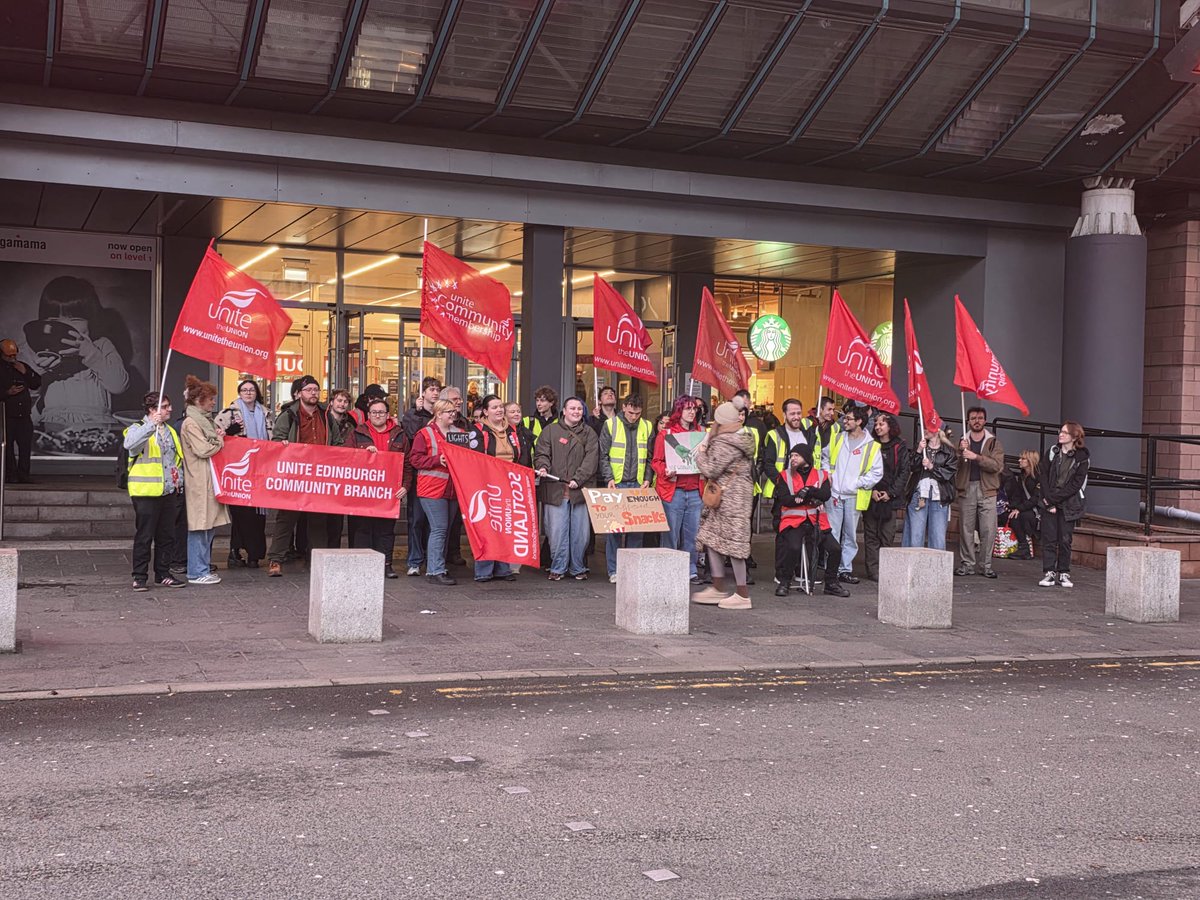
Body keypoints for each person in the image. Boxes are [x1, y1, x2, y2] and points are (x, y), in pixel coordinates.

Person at [28, 275, 131, 438]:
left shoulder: (101, 345)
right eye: (55, 320)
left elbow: (119, 385)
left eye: (74, 319)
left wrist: (91, 354)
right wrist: (38, 369)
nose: (65, 326)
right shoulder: (41, 349)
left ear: (91, 321)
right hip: (53, 429)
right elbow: (22, 391)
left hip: (96, 429)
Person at [266, 375, 345, 576]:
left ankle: (317, 562)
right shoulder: (289, 414)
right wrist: (283, 446)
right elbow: (277, 440)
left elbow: (337, 442)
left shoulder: (326, 415)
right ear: (299, 393)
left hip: (319, 476)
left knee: (318, 521)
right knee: (286, 519)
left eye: (316, 390)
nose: (313, 393)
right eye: (309, 390)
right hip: (295, 476)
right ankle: (276, 560)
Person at [690, 402, 756, 609]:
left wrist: (701, 452)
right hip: (734, 498)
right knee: (713, 539)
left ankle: (742, 594)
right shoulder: (742, 438)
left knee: (734, 546)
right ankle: (718, 587)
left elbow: (711, 469)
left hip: (730, 500)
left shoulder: (726, 442)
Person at [123, 391, 186, 591]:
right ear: (152, 410)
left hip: (168, 491)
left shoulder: (170, 431)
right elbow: (131, 446)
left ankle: (163, 573)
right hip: (146, 491)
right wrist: (151, 425)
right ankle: (139, 576)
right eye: (166, 406)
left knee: (167, 535)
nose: (170, 409)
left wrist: (179, 483)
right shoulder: (137, 428)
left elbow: (176, 459)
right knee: (145, 535)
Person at [770, 444, 849, 599]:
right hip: (793, 521)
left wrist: (808, 491)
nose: (792, 458)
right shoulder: (784, 476)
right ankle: (785, 581)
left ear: (806, 457)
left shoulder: (821, 475)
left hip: (817, 521)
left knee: (835, 549)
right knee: (793, 547)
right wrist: (812, 499)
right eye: (791, 456)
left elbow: (825, 494)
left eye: (796, 456)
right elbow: (785, 499)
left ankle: (831, 583)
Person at [534, 396, 598, 580]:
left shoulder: (589, 433)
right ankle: (558, 567)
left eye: (579, 409)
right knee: (556, 532)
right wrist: (543, 466)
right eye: (572, 408)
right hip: (556, 490)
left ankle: (578, 568)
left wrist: (578, 479)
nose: (576, 412)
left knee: (581, 534)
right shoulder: (550, 430)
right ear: (564, 411)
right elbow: (541, 453)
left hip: (580, 491)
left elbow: (591, 460)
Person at [214, 379, 273, 568]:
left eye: (252, 390)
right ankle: (237, 550)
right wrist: (229, 433)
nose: (248, 393)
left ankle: (255, 553)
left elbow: (273, 438)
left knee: (258, 515)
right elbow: (215, 438)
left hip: (261, 470)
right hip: (237, 472)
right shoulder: (227, 413)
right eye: (244, 390)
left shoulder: (266, 413)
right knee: (241, 513)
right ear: (239, 393)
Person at [179, 375, 230, 585]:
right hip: (199, 481)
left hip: (207, 480)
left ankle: (202, 568)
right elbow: (203, 449)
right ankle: (197, 571)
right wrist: (219, 440)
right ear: (199, 400)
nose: (212, 402)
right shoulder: (192, 423)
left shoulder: (203, 421)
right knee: (200, 527)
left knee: (207, 526)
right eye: (209, 399)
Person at [469, 394, 525, 583]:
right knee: (487, 528)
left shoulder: (511, 430)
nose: (499, 410)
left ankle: (503, 568)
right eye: (494, 407)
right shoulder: (478, 431)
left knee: (506, 526)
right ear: (485, 411)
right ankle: (484, 570)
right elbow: (475, 460)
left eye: (501, 406)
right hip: (487, 485)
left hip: (509, 484)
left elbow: (518, 456)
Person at [598, 393, 653, 583]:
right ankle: (614, 570)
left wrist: (647, 478)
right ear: (624, 407)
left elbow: (650, 457)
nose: (633, 417)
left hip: (638, 484)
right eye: (630, 413)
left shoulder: (647, 426)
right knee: (614, 531)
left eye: (637, 414)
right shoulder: (611, 424)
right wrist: (609, 478)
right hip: (617, 482)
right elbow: (602, 455)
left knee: (636, 532)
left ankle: (631, 571)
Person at [351, 397, 409, 579]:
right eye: (374, 412)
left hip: (389, 493)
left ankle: (386, 565)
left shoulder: (399, 434)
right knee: (363, 530)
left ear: (388, 415)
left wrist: (405, 487)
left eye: (381, 412)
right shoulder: (357, 433)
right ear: (368, 415)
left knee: (385, 531)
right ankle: (362, 566)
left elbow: (407, 464)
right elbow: (347, 459)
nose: (378, 415)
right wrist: (363, 455)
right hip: (364, 492)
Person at [409, 399, 464, 586]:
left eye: (454, 411)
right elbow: (415, 459)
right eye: (449, 411)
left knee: (445, 529)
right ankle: (435, 570)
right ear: (438, 414)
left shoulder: (460, 434)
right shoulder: (424, 434)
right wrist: (436, 460)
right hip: (432, 488)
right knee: (439, 528)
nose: (453, 414)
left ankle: (437, 565)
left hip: (453, 489)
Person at [824, 406, 882, 584]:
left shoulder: (872, 446)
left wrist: (857, 484)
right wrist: (828, 474)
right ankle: (831, 569)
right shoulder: (838, 438)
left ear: (859, 422)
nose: (844, 421)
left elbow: (876, 473)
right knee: (832, 534)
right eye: (845, 418)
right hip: (834, 494)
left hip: (853, 495)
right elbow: (825, 457)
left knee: (849, 535)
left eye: (849, 419)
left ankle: (844, 569)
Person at [651, 396, 704, 584]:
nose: (692, 412)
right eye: (688, 408)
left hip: (695, 492)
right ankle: (669, 568)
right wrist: (665, 471)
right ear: (679, 411)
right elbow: (656, 461)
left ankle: (690, 570)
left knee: (691, 535)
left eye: (694, 409)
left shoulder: (701, 435)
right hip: (674, 492)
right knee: (671, 534)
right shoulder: (667, 435)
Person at [955, 406, 1006, 579]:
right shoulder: (963, 439)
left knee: (988, 530)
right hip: (967, 487)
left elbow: (997, 466)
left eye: (980, 418)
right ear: (968, 421)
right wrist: (960, 451)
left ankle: (986, 565)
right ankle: (967, 564)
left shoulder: (993, 442)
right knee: (966, 528)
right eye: (973, 418)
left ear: (985, 420)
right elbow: (955, 464)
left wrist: (976, 457)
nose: (977, 420)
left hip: (988, 489)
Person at [1038, 422, 1090, 588]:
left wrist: (1053, 500)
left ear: (1074, 437)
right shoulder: (1053, 452)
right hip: (1050, 499)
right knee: (1049, 538)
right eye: (1061, 432)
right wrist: (1048, 499)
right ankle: (1049, 572)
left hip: (1068, 503)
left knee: (1065, 539)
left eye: (1065, 433)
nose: (1061, 435)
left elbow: (1075, 485)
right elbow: (1043, 475)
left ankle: (1064, 572)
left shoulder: (1082, 458)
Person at [861, 413, 912, 581]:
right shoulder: (870, 445)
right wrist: (872, 490)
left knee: (887, 535)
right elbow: (863, 469)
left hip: (891, 499)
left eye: (882, 424)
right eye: (876, 423)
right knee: (871, 535)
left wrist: (890, 493)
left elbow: (904, 472)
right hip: (872, 496)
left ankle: (886, 569)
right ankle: (873, 571)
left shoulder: (900, 446)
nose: (878, 427)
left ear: (890, 427)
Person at [401, 377, 441, 576]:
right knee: (416, 519)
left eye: (437, 389)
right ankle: (415, 560)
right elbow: (411, 434)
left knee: (434, 522)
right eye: (431, 389)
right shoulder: (412, 414)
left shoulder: (441, 415)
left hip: (437, 478)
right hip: (419, 475)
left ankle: (432, 560)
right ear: (423, 393)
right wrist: (417, 413)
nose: (434, 393)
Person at [902, 426, 958, 551]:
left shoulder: (949, 451)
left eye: (927, 428)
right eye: (923, 428)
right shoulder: (921, 446)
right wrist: (918, 450)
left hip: (940, 495)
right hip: (919, 493)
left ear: (937, 430)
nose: (924, 430)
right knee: (915, 536)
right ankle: (913, 569)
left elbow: (948, 474)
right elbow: (911, 467)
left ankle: (936, 569)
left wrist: (932, 467)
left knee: (938, 537)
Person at [0, 339, 42, 483]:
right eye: (8, 356)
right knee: (8, 447)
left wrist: (25, 371)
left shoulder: (21, 366)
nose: (12, 359)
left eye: (14, 355)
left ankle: (24, 474)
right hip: (7, 415)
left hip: (24, 414)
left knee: (25, 446)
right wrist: (7, 392)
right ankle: (11, 475)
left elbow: (36, 383)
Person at [759, 398, 815, 504]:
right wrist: (781, 483)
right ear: (784, 415)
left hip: (806, 490)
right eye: (792, 414)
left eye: (799, 413)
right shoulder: (775, 435)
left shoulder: (809, 435)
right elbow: (768, 464)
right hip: (784, 492)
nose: (796, 417)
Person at [440, 384, 469, 565]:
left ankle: (454, 552)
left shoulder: (464, 424)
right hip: (438, 482)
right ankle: (437, 558)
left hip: (458, 481)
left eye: (459, 399)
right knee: (440, 525)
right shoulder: (432, 427)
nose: (459, 402)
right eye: (455, 399)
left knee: (456, 519)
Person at [1005, 450, 1041, 560]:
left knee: (1022, 516)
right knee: (1013, 516)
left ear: (1030, 461)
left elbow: (1036, 498)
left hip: (1037, 511)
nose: (1019, 460)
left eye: (1023, 459)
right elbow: (1018, 495)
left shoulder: (1039, 477)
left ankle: (1025, 547)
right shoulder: (1022, 476)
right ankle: (1023, 547)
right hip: (1026, 507)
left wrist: (1019, 509)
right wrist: (1011, 506)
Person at [504, 401, 535, 465]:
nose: (517, 414)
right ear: (504, 415)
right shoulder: (501, 431)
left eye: (519, 411)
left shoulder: (526, 432)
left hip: (524, 471)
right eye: (512, 412)